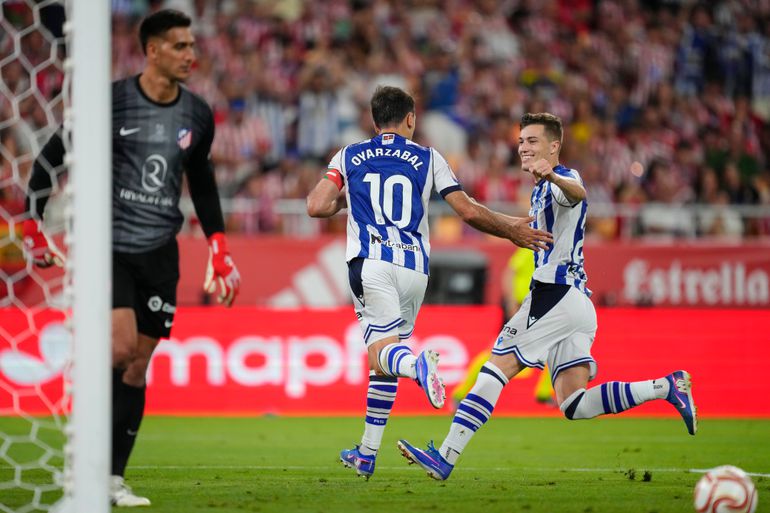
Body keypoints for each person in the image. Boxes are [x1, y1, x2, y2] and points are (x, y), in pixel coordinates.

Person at [397, 112, 698, 481]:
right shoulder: (540, 190)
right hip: (577, 303)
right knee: (574, 403)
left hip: (554, 295)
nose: (524, 147)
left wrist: (553, 174)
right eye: (521, 141)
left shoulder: (562, 179)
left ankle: (445, 456)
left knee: (496, 368)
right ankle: (666, 386)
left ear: (554, 146)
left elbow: (578, 193)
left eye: (533, 141)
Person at [22, 10, 240, 506]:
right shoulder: (111, 102)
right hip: (110, 246)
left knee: (138, 366)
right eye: (180, 46)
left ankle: (112, 478)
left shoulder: (197, 114)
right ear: (153, 50)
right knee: (119, 348)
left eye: (192, 45)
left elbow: (202, 182)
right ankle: (84, 463)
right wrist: (33, 224)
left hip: (161, 251)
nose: (191, 54)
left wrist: (219, 246)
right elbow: (51, 158)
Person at [306, 86, 553, 480]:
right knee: (383, 360)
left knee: (385, 356)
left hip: (372, 263)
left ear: (374, 121)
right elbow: (467, 211)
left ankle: (416, 365)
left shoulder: (349, 155)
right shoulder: (428, 157)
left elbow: (316, 206)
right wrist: (511, 229)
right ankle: (367, 453)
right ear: (410, 119)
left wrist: (349, 197)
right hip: (414, 270)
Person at [450, 246, 555, 409]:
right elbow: (510, 272)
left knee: (554, 345)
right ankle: (460, 393)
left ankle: (544, 392)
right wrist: (511, 302)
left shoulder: (554, 253)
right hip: (519, 307)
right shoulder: (535, 248)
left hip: (536, 308)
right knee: (496, 351)